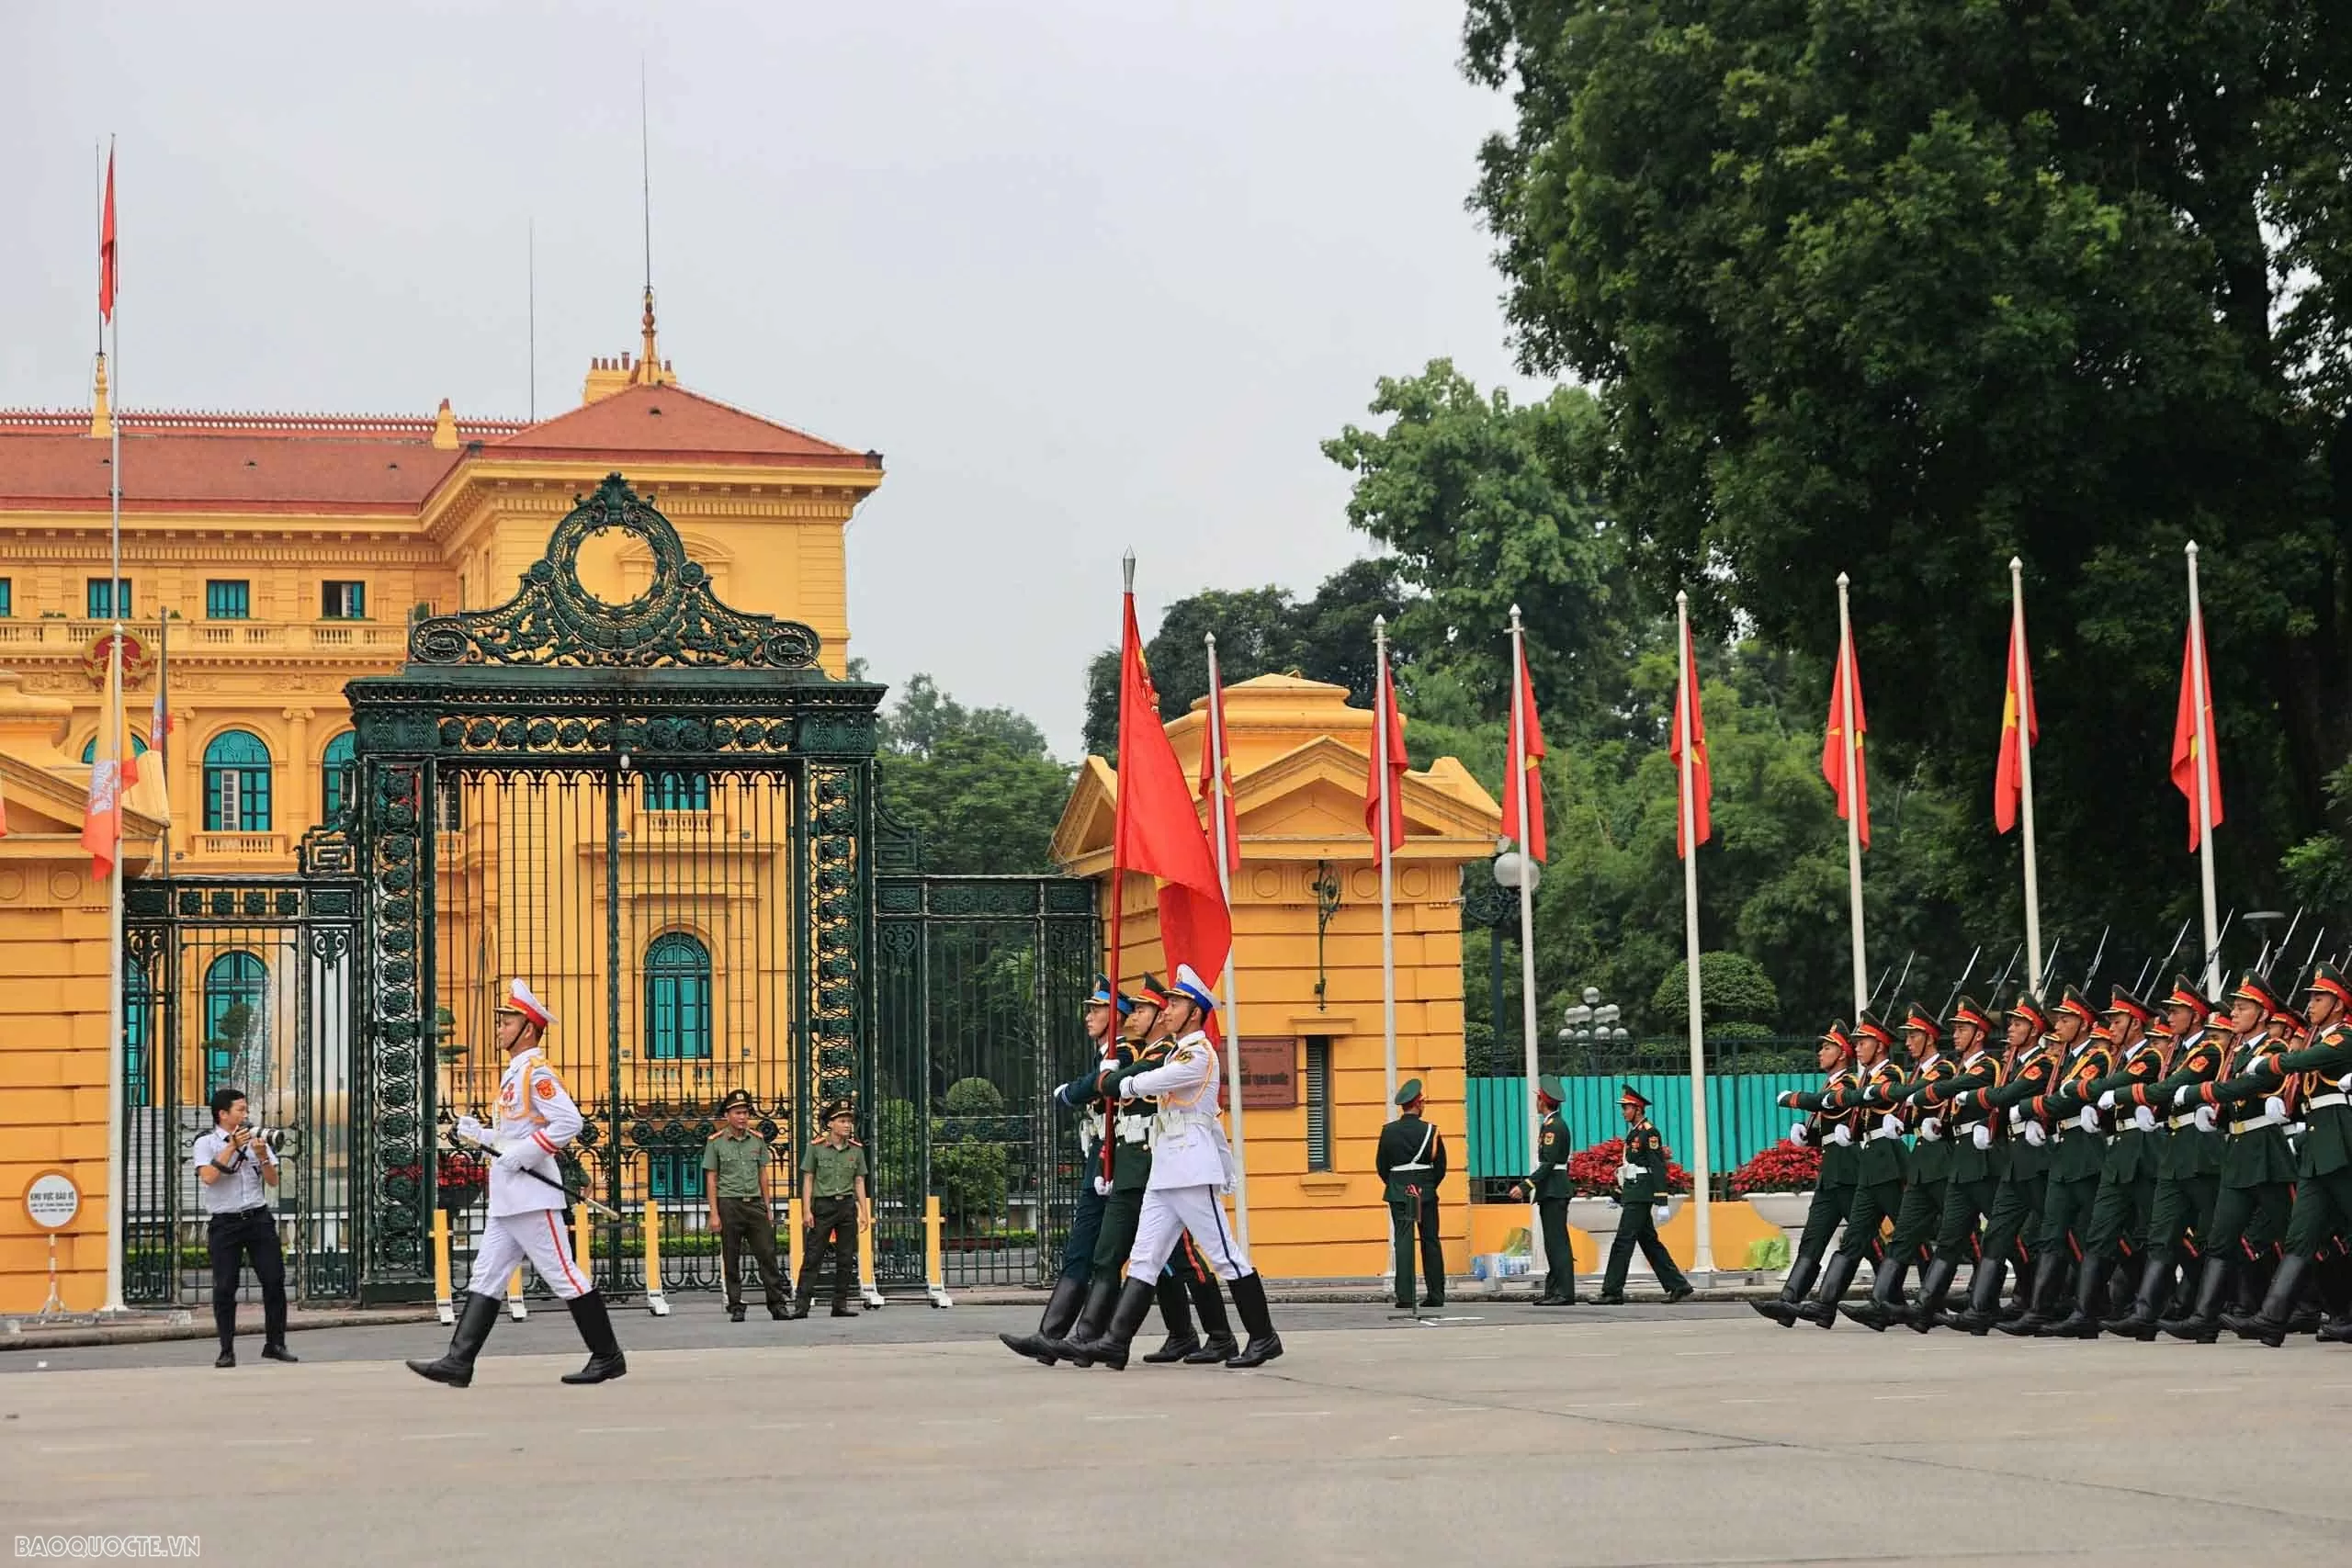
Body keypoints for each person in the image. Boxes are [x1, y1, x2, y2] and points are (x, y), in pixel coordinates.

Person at [1047, 963, 1283, 1370]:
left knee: (1225, 1255)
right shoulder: (1176, 1049)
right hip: (1166, 1168)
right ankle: (1115, 1342)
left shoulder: (1196, 1052)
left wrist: (1114, 1081)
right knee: (1145, 1257)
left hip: (1192, 1167)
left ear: (1194, 1012)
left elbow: (1153, 1082)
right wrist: (1111, 1077)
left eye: (1175, 1003)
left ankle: (1263, 1337)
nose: (1168, 1009)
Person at [408, 978, 627, 1386]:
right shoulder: (513, 1075)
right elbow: (513, 1138)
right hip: (509, 1198)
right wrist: (481, 1135)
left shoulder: (536, 1073)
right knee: (486, 1276)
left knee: (564, 1274)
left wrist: (524, 1154)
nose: (499, 1028)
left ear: (527, 1027)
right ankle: (458, 1362)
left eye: (506, 1021)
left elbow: (569, 1122)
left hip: (532, 1195)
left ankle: (607, 1356)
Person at [1001, 974, 1127, 1364]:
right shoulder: (1106, 1054)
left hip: (1121, 1166)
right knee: (1081, 1252)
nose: (1088, 1015)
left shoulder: (1123, 1054)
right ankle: (1051, 1337)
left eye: (1098, 1009)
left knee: (1139, 1260)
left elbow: (1094, 1087)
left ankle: (1091, 1341)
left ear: (1117, 1015)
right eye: (1088, 1008)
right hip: (1099, 1164)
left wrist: (1070, 1091)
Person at [2222, 964, 2352, 1346]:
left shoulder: (2342, 1036)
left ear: (2339, 1004)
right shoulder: (2321, 1039)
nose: (2310, 1005)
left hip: (2342, 1146)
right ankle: (2273, 1317)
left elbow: (2301, 1063)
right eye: (2310, 998)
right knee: (2301, 1235)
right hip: (2317, 1151)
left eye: (2319, 998)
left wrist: (2268, 1063)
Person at [2165, 972, 2297, 1342]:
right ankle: (2205, 1318)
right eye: (2235, 1007)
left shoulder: (2273, 1051)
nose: (2234, 1014)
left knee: (2296, 1237)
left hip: (2266, 1153)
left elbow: (2247, 1086)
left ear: (2262, 1013)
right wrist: (2218, 1116)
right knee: (2221, 1238)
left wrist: (2198, 1095)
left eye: (2242, 1008)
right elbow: (2233, 1096)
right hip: (2238, 1154)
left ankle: (2336, 1308)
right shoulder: (2237, 1053)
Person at [2040, 986, 2166, 1337]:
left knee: (2158, 1234)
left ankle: (2167, 1306)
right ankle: (2086, 1314)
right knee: (2099, 1233)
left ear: (2136, 1024)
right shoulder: (2118, 1058)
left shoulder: (2150, 1058)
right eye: (2110, 1019)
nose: (2111, 1025)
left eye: (2119, 1019)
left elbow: (2112, 1086)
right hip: (2120, 1153)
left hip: (2145, 1154)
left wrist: (2078, 1091)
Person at [2112, 979, 2230, 1338]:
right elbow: (2167, 1091)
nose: (2170, 1016)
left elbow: (2170, 1087)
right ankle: (2148, 1314)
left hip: (2201, 1152)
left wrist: (2130, 1093)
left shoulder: (2207, 1051)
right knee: (2162, 1234)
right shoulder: (2177, 1051)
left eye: (2177, 1011)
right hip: (2175, 1151)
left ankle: (2214, 1311)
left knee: (2213, 1236)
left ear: (2195, 1016)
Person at [1844, 999, 1958, 1331]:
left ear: (1930, 1038)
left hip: (1943, 1163)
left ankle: (1983, 1302)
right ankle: (1883, 1305)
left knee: (1963, 1240)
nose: (1907, 1043)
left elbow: (1920, 1094)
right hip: (1921, 1165)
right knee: (1903, 1237)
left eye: (1913, 1036)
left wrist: (1904, 1107)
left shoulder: (1943, 1069)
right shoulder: (1916, 1072)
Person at [2001, 986, 2109, 1336]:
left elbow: (2068, 1096)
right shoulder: (2065, 1059)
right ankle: (2041, 1310)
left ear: (2084, 1023)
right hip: (2063, 1152)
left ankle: (2093, 1310)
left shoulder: (2096, 1057)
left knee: (2094, 1233)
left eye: (2066, 1019)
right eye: (2059, 1018)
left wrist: (2029, 1109)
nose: (2058, 1025)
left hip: (2087, 1154)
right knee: (2052, 1233)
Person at [1951, 992, 2060, 1334]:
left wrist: (1969, 1096)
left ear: (2034, 1029)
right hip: (2015, 1161)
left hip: (2038, 1160)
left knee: (2062, 1234)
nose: (2010, 1029)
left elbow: (2003, 1097)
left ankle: (2062, 1304)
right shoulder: (2012, 1064)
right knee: (1996, 1233)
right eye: (2010, 1023)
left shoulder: (2041, 1063)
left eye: (2018, 1024)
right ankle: (1981, 1309)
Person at [1795, 1012, 1906, 1326]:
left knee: (1915, 1235)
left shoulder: (1887, 1074)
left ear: (1881, 1046)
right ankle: (1824, 1304)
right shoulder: (1864, 1079)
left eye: (1864, 1042)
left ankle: (1921, 1303)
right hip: (1867, 1164)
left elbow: (1856, 1103)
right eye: (1856, 1042)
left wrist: (1797, 1100)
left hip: (1886, 1164)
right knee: (1854, 1239)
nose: (1859, 1048)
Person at [1905, 996, 2002, 1333]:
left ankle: (2032, 1300)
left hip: (1985, 1160)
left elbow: (1955, 1089)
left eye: (1962, 1029)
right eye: (1956, 1029)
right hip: (1961, 1160)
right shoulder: (1962, 1066)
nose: (1956, 1035)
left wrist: (1924, 1093)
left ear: (1978, 1034)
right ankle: (1925, 1307)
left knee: (2005, 1236)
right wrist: (1941, 1125)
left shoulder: (1987, 1066)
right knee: (1949, 1237)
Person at [1754, 1023, 1859, 1325]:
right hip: (1831, 1174)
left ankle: (1892, 1297)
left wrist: (1794, 1098)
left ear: (1842, 1054)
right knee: (1813, 1239)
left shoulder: (1848, 1083)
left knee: (1866, 1241)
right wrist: (1808, 1137)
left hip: (1850, 1173)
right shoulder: (1829, 1084)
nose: (1820, 1052)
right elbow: (1827, 1126)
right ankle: (1789, 1301)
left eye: (1827, 1047)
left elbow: (1830, 1108)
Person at [191, 1086, 296, 1369]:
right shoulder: (206, 1142)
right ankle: (227, 1350)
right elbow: (210, 1178)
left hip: (258, 1218)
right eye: (240, 1109)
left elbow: (272, 1181)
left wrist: (262, 1155)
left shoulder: (255, 1139)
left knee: (274, 1281)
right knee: (225, 1287)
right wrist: (232, 1147)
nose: (245, 1114)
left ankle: (276, 1344)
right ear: (223, 1114)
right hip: (225, 1223)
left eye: (246, 1109)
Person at [1595, 1085, 1692, 1305]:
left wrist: (1662, 1200)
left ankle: (1612, 1291)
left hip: (1641, 1195)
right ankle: (1678, 1285)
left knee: (1622, 1241)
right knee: (1649, 1242)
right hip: (1634, 1191)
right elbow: (1630, 1166)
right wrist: (1619, 1194)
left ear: (1637, 1109)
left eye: (1626, 1108)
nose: (1623, 1112)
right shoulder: (1634, 1132)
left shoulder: (1649, 1132)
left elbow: (1657, 1166)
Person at [706, 1088, 787, 1323]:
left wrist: (768, 1207)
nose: (743, 1117)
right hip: (729, 1204)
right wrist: (714, 1213)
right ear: (728, 1115)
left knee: (767, 1255)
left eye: (745, 1112)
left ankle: (777, 1304)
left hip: (754, 1204)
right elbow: (711, 1178)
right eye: (738, 1112)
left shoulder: (757, 1140)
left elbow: (763, 1174)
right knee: (731, 1257)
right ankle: (736, 1305)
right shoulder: (716, 1142)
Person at [794, 1100, 870, 1318]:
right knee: (813, 1256)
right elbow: (808, 1179)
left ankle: (840, 1303)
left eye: (849, 1121)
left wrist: (864, 1212)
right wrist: (806, 1210)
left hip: (846, 1205)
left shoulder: (855, 1150)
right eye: (842, 1121)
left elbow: (859, 1182)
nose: (847, 1125)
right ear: (830, 1123)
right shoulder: (816, 1148)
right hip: (823, 1205)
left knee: (846, 1257)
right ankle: (802, 1304)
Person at [1376, 1079, 1448, 1310]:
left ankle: (1405, 1296)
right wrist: (1427, 1186)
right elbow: (1441, 1167)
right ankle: (1436, 1294)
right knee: (1430, 1240)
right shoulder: (1431, 1130)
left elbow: (1381, 1165)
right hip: (1423, 1190)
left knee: (1404, 1241)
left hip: (1401, 1191)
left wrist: (1398, 1185)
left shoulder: (1388, 1131)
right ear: (1418, 1103)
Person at [1510, 1074, 1577, 1306]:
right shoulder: (1552, 1124)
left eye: (1538, 1099)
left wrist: (1525, 1185)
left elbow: (1548, 1164)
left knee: (1557, 1242)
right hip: (1553, 1188)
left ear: (1543, 1102)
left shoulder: (1554, 1127)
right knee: (1553, 1242)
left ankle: (1563, 1292)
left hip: (1554, 1188)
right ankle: (1555, 1289)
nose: (1536, 1103)